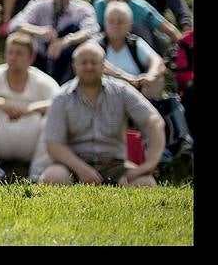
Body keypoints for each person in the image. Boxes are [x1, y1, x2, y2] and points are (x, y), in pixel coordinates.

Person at [39, 41, 164, 187]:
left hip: (115, 165)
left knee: (146, 183)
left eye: (94, 62)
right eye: (83, 62)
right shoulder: (61, 98)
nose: (89, 67)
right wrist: (81, 169)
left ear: (104, 65)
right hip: (73, 164)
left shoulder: (121, 91)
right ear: (74, 66)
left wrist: (149, 165)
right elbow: (53, 144)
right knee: (52, 177)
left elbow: (154, 121)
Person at [0, 31, 59, 182]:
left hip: (30, 140)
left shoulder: (42, 80)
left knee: (53, 121)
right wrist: (1, 103)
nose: (13, 57)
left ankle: (36, 176)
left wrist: (31, 108)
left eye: (19, 53)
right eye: (10, 53)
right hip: (0, 137)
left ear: (31, 57)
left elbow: (61, 104)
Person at [6, 0, 99, 84]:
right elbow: (14, 25)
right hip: (39, 57)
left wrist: (67, 40)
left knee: (85, 43)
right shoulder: (38, 5)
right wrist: (39, 31)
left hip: (68, 59)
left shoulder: (83, 9)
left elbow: (91, 29)